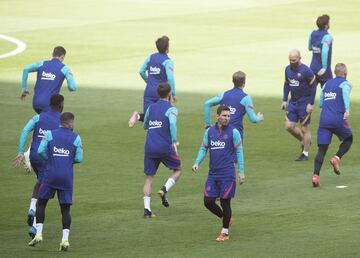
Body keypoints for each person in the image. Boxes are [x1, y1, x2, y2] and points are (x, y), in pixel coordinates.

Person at [28, 112, 83, 251]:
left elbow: (40, 150)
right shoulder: (76, 138)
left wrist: (50, 159)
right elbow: (79, 158)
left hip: (50, 175)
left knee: (41, 203)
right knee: (65, 209)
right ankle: (65, 240)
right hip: (66, 177)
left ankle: (39, 234)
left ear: (61, 122)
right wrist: (68, 160)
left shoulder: (50, 134)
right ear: (70, 123)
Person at [14, 94, 64, 238]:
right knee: (45, 190)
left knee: (41, 182)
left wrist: (21, 151)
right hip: (47, 158)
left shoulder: (39, 117)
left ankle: (31, 208)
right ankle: (35, 225)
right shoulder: (61, 121)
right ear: (60, 105)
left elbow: (25, 130)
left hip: (34, 156)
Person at [192, 105, 244, 242]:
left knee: (225, 202)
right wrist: (197, 162)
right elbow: (204, 149)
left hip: (227, 173)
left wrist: (241, 172)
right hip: (213, 173)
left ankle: (224, 232)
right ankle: (225, 218)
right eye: (224, 115)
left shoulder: (234, 132)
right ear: (217, 117)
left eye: (228, 116)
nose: (227, 118)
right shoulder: (209, 132)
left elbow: (239, 152)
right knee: (208, 201)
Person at [142, 83, 181, 218]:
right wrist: (174, 140)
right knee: (178, 169)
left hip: (150, 146)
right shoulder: (172, 110)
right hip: (164, 146)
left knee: (149, 178)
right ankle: (164, 189)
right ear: (169, 93)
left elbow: (146, 124)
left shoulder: (151, 108)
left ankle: (147, 210)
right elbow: (172, 123)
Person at [312, 63, 353, 187]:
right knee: (349, 139)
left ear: (335, 73)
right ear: (345, 73)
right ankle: (336, 158)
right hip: (337, 119)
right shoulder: (346, 84)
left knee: (322, 149)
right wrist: (347, 110)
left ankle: (315, 176)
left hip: (324, 120)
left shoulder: (326, 84)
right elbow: (345, 94)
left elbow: (320, 102)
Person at [129, 36, 176, 128]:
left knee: (149, 118)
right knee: (163, 118)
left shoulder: (151, 57)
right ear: (167, 48)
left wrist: (149, 82)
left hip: (149, 91)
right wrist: (173, 93)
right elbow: (170, 78)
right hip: (162, 92)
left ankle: (138, 116)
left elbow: (141, 71)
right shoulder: (167, 61)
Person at [204, 70, 264, 138]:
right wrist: (259, 117)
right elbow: (253, 119)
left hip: (221, 133)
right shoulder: (246, 98)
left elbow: (207, 104)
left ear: (233, 81)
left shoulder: (223, 94)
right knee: (237, 149)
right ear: (244, 82)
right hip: (236, 134)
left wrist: (208, 125)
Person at [281, 49, 317, 161]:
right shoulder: (287, 69)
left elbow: (313, 86)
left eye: (294, 60)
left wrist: (310, 103)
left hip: (304, 103)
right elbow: (287, 84)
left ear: (300, 58)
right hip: (293, 102)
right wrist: (285, 100)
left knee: (304, 127)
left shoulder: (306, 71)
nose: (292, 62)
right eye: (290, 60)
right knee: (289, 126)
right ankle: (305, 141)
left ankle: (305, 153)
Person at [20, 46, 77, 114]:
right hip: (50, 106)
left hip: (36, 103)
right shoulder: (64, 68)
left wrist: (24, 88)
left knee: (42, 121)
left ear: (52, 54)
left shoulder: (41, 64)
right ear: (62, 56)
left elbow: (26, 69)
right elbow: (73, 87)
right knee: (56, 122)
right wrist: (70, 86)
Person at [308, 14, 333, 88]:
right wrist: (324, 67)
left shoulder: (312, 33)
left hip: (313, 67)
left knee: (310, 92)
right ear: (326, 25)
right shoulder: (327, 37)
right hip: (323, 69)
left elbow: (309, 48)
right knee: (329, 92)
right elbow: (324, 51)